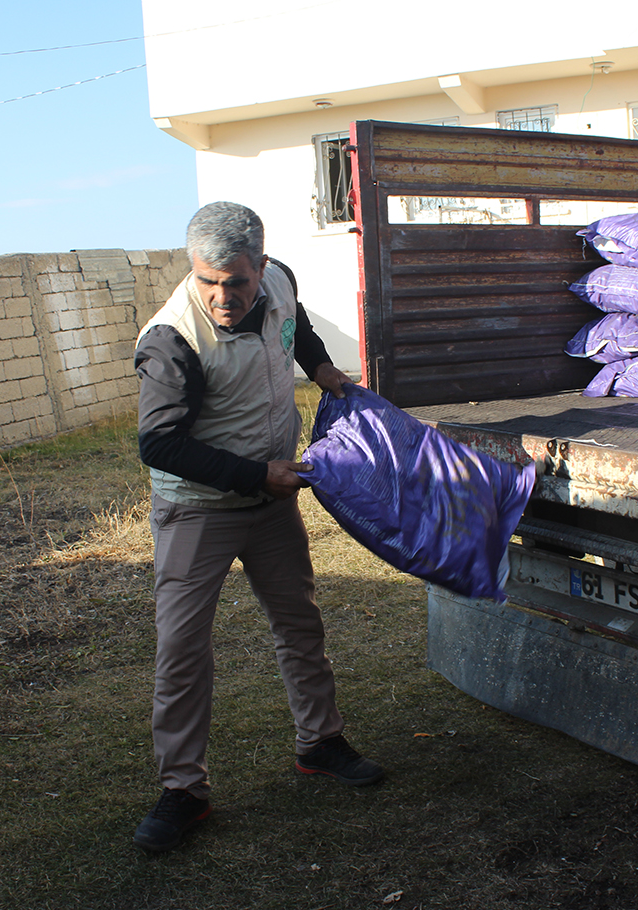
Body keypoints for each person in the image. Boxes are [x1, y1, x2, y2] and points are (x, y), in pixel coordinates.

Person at [131, 201, 383, 853]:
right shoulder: (172, 342)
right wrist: (256, 474)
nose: (222, 297)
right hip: (197, 511)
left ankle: (320, 742)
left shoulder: (281, 282)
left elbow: (297, 328)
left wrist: (322, 368)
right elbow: (159, 444)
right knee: (182, 649)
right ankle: (183, 790)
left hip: (270, 504)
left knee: (300, 622)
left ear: (262, 266)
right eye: (207, 281)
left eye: (236, 282)